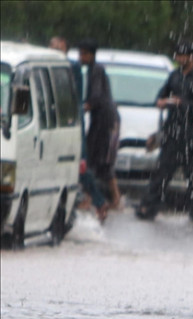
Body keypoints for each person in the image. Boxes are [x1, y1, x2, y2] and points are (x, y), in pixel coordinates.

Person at [136, 40, 193, 222]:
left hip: (192, 135)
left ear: (191, 57)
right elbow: (162, 96)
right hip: (173, 132)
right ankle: (149, 206)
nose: (179, 59)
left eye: (183, 56)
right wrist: (163, 102)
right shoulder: (174, 76)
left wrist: (182, 103)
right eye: (178, 56)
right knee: (162, 172)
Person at [49, 37, 110, 222]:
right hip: (52, 122)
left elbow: (71, 97)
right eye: (52, 48)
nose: (55, 51)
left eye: (59, 48)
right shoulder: (46, 65)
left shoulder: (71, 67)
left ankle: (98, 202)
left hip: (71, 121)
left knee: (79, 165)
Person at [77, 39, 122, 211]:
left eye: (83, 54)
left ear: (91, 55)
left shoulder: (95, 70)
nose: (80, 57)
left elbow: (95, 97)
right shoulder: (94, 69)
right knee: (101, 162)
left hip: (105, 121)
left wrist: (84, 107)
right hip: (105, 119)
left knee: (93, 159)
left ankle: (91, 199)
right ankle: (114, 199)